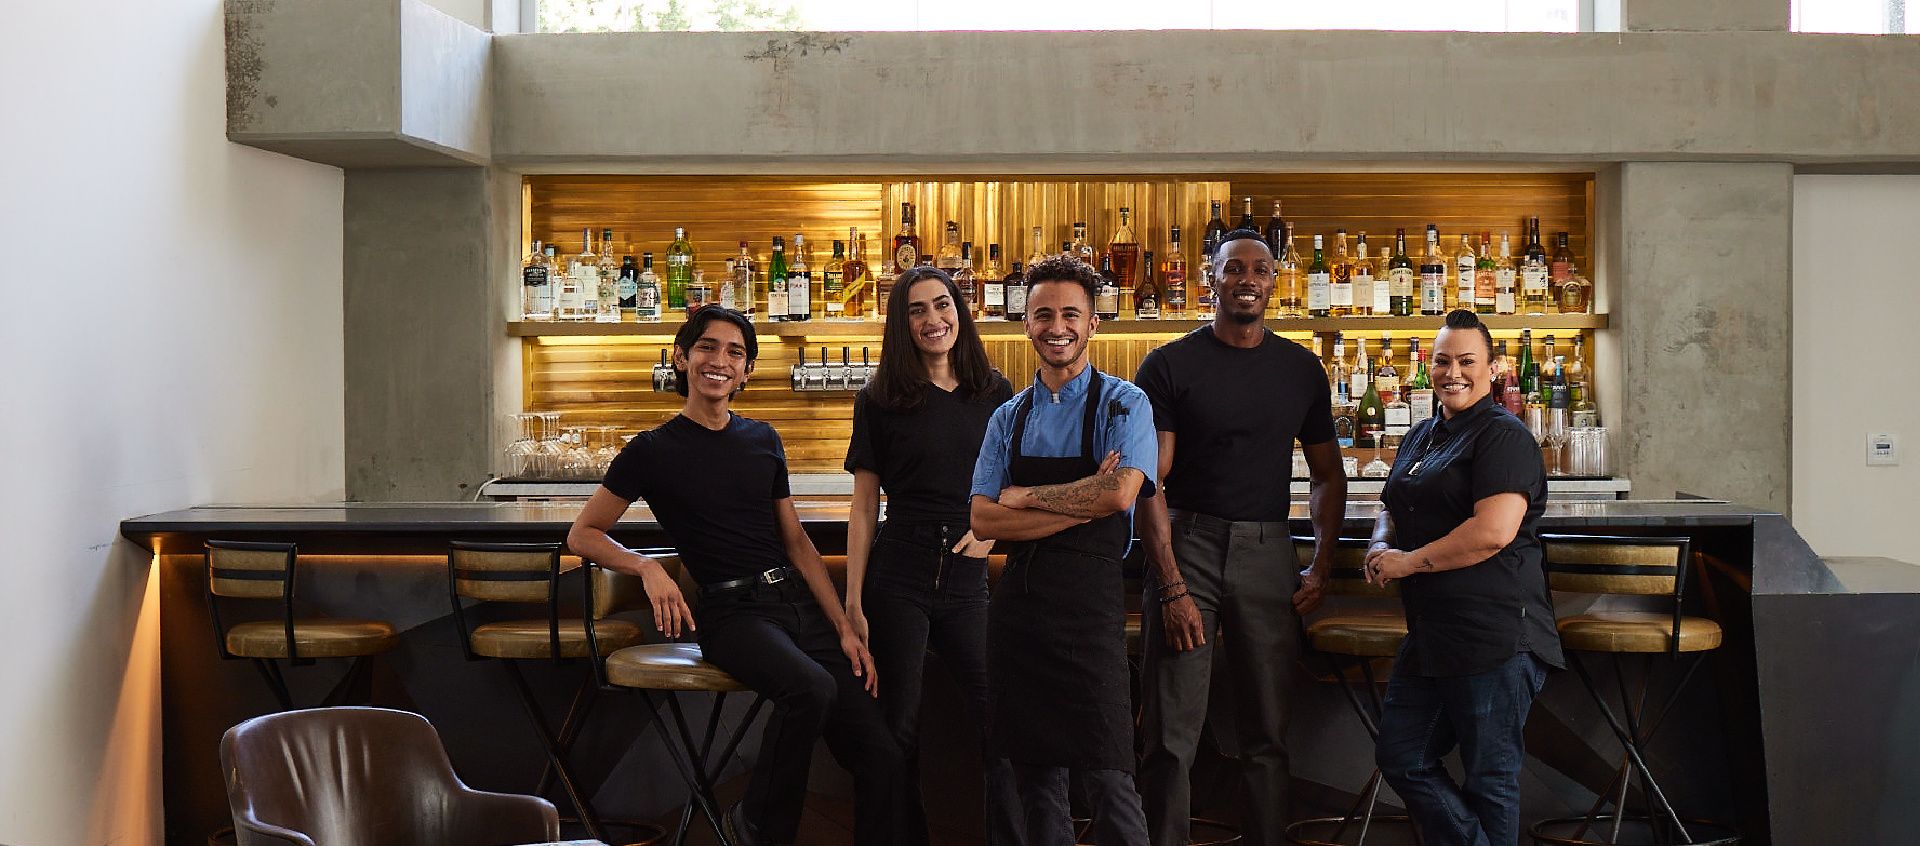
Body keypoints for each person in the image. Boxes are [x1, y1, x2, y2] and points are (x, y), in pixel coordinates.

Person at [566, 307, 907, 846]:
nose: (719, 361)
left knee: (882, 753)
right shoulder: (650, 450)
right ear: (681, 358)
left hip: (797, 605)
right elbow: (583, 534)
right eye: (706, 347)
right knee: (811, 690)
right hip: (732, 615)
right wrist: (646, 566)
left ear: (746, 371)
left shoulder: (763, 439)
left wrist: (841, 622)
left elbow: (796, 542)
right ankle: (753, 829)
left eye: (735, 352)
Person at [1132, 228, 1348, 846]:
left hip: (1267, 549)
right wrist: (1170, 582)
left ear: (1274, 282)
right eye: (1234, 269)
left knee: (1269, 735)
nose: (1247, 279)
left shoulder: (1302, 369)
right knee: (1171, 734)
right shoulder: (1170, 364)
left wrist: (1321, 562)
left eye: (1259, 269)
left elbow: (1327, 475)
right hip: (1187, 547)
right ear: (1212, 279)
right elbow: (1152, 480)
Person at [969, 254, 1158, 846]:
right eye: (1042, 314)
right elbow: (981, 517)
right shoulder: (1007, 416)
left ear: (1094, 322)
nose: (1057, 327)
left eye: (1071, 314)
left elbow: (1122, 494)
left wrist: (1026, 498)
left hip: (1090, 609)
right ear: (1024, 324)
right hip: (1020, 611)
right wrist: (1081, 500)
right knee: (1034, 779)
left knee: (1109, 773)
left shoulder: (1125, 403)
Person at [1365, 309, 1565, 846]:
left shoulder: (1503, 436)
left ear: (1494, 368)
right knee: (1401, 756)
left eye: (1467, 361)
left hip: (1495, 632)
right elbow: (1390, 503)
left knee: (1489, 778)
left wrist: (1407, 562)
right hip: (1433, 630)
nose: (1454, 372)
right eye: (1442, 361)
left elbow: (1493, 532)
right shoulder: (1423, 434)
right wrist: (1382, 540)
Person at [843, 266, 1021, 845]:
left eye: (941, 305)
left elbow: (1012, 482)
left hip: (968, 574)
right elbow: (866, 505)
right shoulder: (879, 398)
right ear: (903, 324)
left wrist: (994, 534)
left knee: (999, 716)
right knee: (898, 728)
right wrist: (852, 601)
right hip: (899, 570)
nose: (932, 319)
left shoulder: (993, 391)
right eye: (916, 310)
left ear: (960, 312)